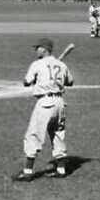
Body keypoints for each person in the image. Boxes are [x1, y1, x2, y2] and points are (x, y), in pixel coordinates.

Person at [14, 38, 74, 181]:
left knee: (33, 135)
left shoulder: (37, 64)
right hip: (60, 103)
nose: (36, 50)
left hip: (45, 103)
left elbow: (25, 82)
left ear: (44, 49)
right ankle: (61, 170)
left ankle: (28, 172)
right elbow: (70, 82)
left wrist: (36, 80)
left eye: (38, 48)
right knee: (58, 135)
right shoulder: (61, 64)